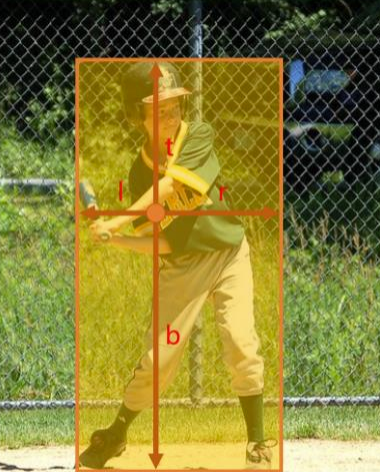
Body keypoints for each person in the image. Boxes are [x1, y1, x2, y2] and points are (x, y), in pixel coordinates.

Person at [79, 61, 273, 469]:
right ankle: (116, 433)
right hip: (182, 266)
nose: (170, 115)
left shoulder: (198, 136)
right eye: (159, 109)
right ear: (137, 117)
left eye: (174, 106)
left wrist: (115, 220)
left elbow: (169, 187)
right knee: (158, 361)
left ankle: (257, 440)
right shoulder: (138, 175)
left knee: (240, 341)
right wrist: (117, 238)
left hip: (229, 255)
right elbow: (162, 242)